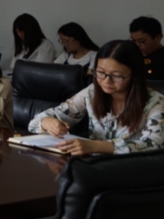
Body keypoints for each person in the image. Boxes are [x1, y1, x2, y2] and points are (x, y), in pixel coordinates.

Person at [28, 40, 164, 155]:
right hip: (94, 167)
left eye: (116, 75)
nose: (106, 81)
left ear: (135, 75)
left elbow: (154, 144)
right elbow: (34, 123)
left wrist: (95, 146)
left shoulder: (156, 102)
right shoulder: (92, 92)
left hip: (134, 171)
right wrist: (48, 123)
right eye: (100, 72)